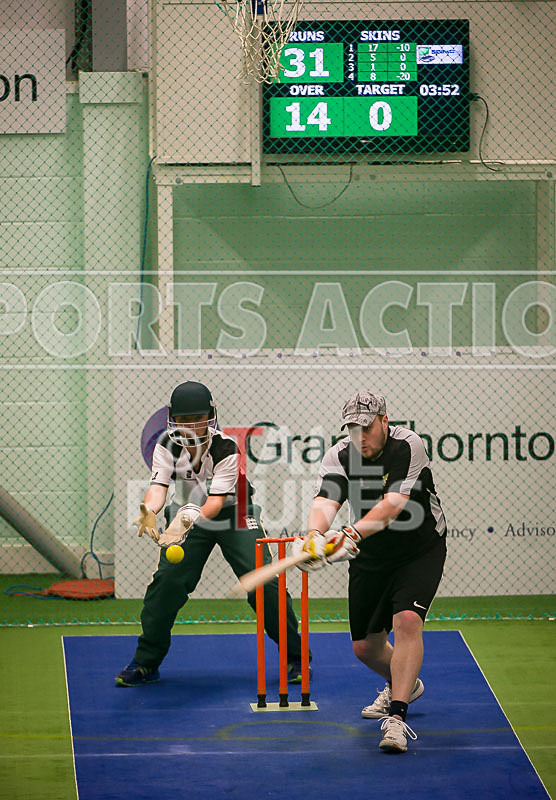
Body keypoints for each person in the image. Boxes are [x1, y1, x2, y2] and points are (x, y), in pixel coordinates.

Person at [116, 380, 308, 686]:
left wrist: (185, 520)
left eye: (198, 419)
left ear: (211, 416)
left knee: (264, 582)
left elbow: (216, 503)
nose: (191, 426)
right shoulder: (165, 445)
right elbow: (158, 487)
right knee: (166, 583)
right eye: (184, 420)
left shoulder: (225, 447)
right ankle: (146, 661)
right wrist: (149, 512)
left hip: (234, 511)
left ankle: (296, 657)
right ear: (172, 420)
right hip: (188, 512)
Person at [292, 391, 447, 753]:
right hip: (371, 555)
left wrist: (347, 533)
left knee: (407, 621)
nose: (360, 437)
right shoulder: (340, 455)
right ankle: (403, 683)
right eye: (352, 429)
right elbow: (326, 500)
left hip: (418, 549)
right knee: (365, 647)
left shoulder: (408, 446)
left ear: (384, 422)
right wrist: (315, 535)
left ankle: (396, 717)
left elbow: (393, 505)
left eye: (366, 428)